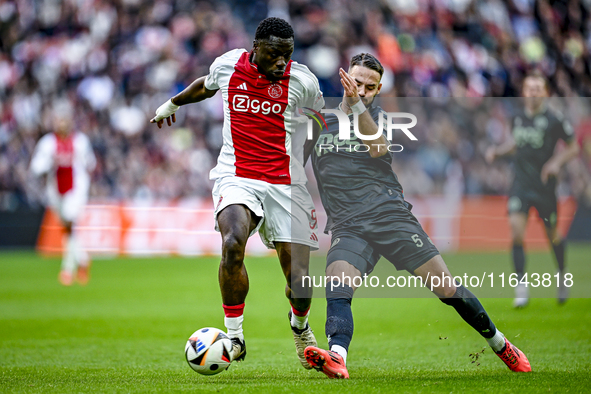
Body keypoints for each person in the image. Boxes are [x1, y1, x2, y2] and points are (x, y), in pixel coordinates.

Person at [304, 53, 531, 379]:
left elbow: (379, 148)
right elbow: (294, 161)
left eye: (371, 86)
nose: (363, 91)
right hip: (348, 224)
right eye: (357, 83)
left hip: (390, 217)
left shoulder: (380, 117)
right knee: (338, 285)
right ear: (344, 79)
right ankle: (337, 356)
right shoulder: (319, 122)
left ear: (378, 88)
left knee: (447, 289)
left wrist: (356, 106)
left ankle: (500, 344)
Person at [150, 17, 324, 369]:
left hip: (285, 184)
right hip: (237, 176)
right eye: (275, 54)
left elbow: (318, 119)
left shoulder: (302, 80)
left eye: (287, 55)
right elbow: (206, 85)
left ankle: (300, 327)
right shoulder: (229, 64)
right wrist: (174, 103)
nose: (281, 62)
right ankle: (235, 335)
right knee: (232, 244)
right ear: (256, 47)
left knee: (300, 281)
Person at [486, 71, 579, 308]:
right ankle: (521, 289)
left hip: (545, 186)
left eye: (538, 88)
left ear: (545, 92)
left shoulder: (554, 119)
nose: (534, 92)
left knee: (553, 235)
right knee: (516, 231)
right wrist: (497, 151)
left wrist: (556, 163)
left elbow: (573, 147)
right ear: (524, 92)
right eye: (530, 88)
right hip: (520, 184)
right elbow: (516, 144)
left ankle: (561, 276)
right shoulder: (517, 118)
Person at [30, 103, 96, 286]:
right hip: (55, 190)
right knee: (67, 228)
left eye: (65, 120)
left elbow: (90, 163)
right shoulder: (48, 142)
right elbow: (36, 166)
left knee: (69, 221)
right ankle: (82, 259)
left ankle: (67, 270)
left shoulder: (80, 141)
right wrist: (47, 165)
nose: (62, 124)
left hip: (75, 189)